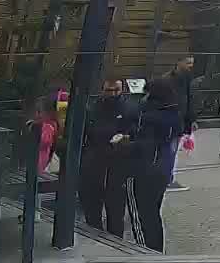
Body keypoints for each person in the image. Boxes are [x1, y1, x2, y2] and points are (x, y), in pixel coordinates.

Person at [127, 78, 184, 251]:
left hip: (144, 169)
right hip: (163, 171)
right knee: (153, 213)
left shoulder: (147, 117)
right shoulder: (175, 115)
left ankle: (145, 251)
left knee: (141, 214)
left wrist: (126, 144)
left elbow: (146, 144)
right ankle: (156, 250)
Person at [81, 79, 136, 235]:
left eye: (116, 90)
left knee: (115, 204)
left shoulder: (129, 108)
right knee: (91, 199)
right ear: (102, 90)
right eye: (109, 90)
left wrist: (125, 137)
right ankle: (94, 231)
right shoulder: (93, 107)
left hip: (118, 160)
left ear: (122, 90)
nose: (112, 94)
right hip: (95, 156)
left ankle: (115, 236)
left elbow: (134, 131)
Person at [165, 56, 197, 191]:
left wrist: (191, 121)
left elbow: (188, 101)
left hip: (180, 121)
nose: (190, 66)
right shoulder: (170, 80)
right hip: (171, 121)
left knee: (173, 151)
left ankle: (169, 177)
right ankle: (167, 179)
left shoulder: (187, 80)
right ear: (179, 63)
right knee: (169, 151)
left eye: (192, 63)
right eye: (187, 63)